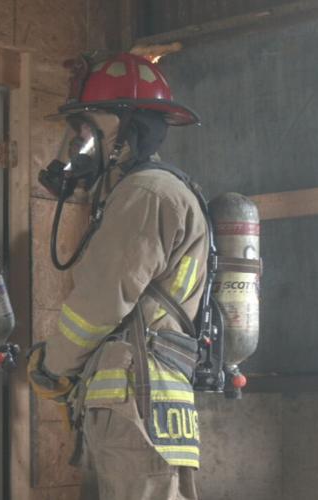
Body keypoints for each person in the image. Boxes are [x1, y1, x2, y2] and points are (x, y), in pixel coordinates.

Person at [27, 52, 208, 500]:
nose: (79, 144)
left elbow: (100, 302)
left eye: (88, 130)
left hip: (135, 396)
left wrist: (52, 368)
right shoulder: (147, 190)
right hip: (141, 395)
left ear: (125, 132)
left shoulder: (145, 194)